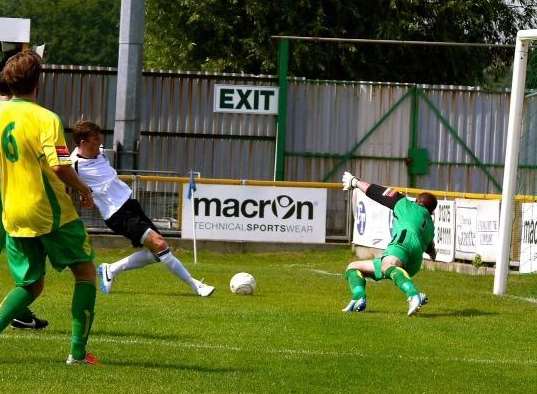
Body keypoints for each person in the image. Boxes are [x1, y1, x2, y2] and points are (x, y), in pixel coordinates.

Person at [0, 50, 98, 365]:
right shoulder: (45, 118)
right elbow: (58, 166)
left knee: (30, 284)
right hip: (49, 210)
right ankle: (78, 354)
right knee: (84, 273)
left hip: (13, 212)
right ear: (38, 82)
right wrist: (83, 189)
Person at [70, 120, 215, 297]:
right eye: (95, 139)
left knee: (156, 253)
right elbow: (68, 181)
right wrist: (83, 195)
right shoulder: (73, 164)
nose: (100, 142)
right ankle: (196, 286)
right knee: (160, 244)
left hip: (131, 203)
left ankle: (111, 269)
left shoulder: (101, 153)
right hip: (117, 214)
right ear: (83, 143)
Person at [341, 171, 437, 316]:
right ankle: (358, 298)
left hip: (402, 243)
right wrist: (433, 254)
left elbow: (376, 192)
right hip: (414, 264)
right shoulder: (430, 224)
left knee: (388, 265)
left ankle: (413, 295)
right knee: (353, 267)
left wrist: (355, 182)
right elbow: (431, 248)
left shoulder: (406, 204)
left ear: (417, 201)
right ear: (431, 211)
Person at [0, 67, 48, 330]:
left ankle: (20, 312)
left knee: (28, 277)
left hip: (10, 200)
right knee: (31, 280)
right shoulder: (28, 115)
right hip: (16, 201)